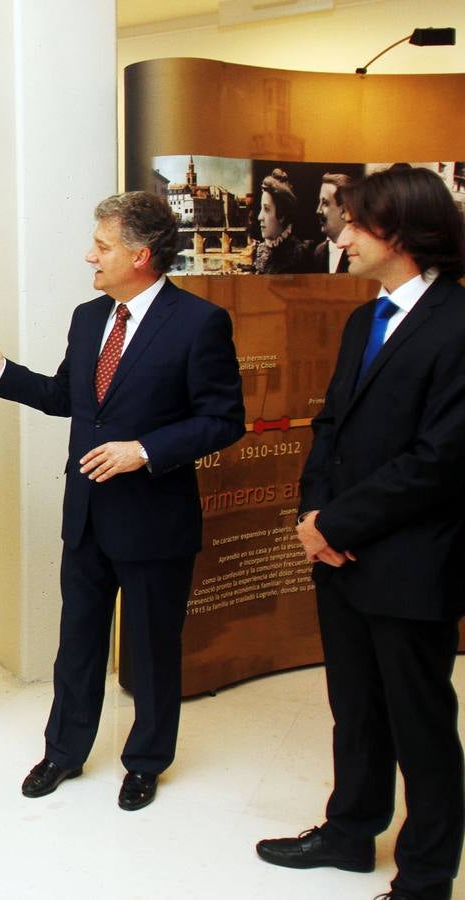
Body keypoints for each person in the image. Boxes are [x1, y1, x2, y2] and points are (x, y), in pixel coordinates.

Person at [0, 192, 244, 809]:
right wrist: (0, 372)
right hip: (86, 517)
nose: (90, 256)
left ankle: (146, 761)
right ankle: (64, 751)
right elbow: (64, 396)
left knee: (154, 649)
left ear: (141, 254)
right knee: (77, 642)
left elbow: (223, 419)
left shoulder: (198, 323)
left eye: (101, 246)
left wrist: (146, 450)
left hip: (156, 520)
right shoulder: (88, 317)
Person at [255, 164, 465, 900]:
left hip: (412, 560)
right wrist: (314, 520)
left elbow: (442, 459)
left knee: (420, 723)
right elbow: (332, 425)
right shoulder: (363, 317)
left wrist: (338, 523)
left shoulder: (458, 324)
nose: (340, 234)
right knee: (355, 710)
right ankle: (350, 834)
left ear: (400, 231)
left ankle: (426, 878)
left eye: (354, 222)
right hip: (339, 555)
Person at [254, 168, 315, 274]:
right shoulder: (261, 250)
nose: (259, 217)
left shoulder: (298, 256)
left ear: (282, 215)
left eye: (266, 209)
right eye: (261, 209)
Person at [311, 172, 354, 274]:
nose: (318, 210)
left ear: (344, 210)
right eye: (319, 202)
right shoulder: (319, 252)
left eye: (325, 203)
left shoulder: (358, 251)